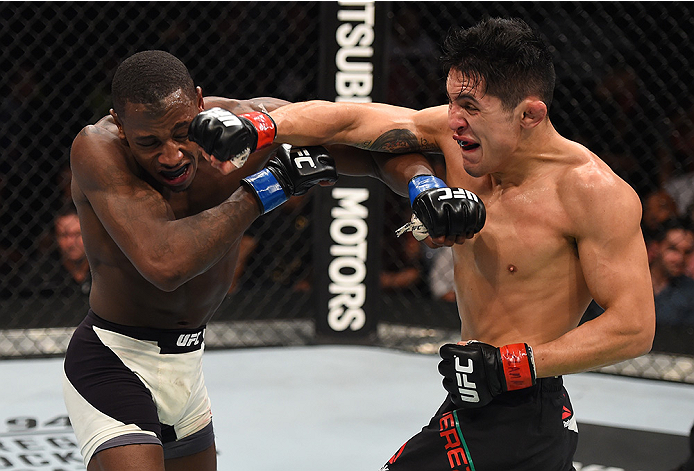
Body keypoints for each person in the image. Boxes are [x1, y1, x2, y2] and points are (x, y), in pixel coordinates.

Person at [192, 18, 656, 470]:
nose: (454, 121)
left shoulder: (591, 193)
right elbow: (350, 119)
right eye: (452, 101)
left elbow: (633, 328)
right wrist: (260, 127)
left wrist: (513, 365)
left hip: (520, 407)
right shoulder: (457, 137)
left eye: (471, 106)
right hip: (483, 402)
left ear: (529, 114)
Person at [64, 50, 342, 471]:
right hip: (114, 360)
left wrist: (423, 185)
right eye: (149, 142)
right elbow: (165, 264)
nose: (172, 156)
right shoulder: (97, 148)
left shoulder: (246, 123)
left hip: (187, 368)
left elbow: (358, 133)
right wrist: (267, 187)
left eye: (182, 132)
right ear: (120, 125)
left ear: (199, 103)